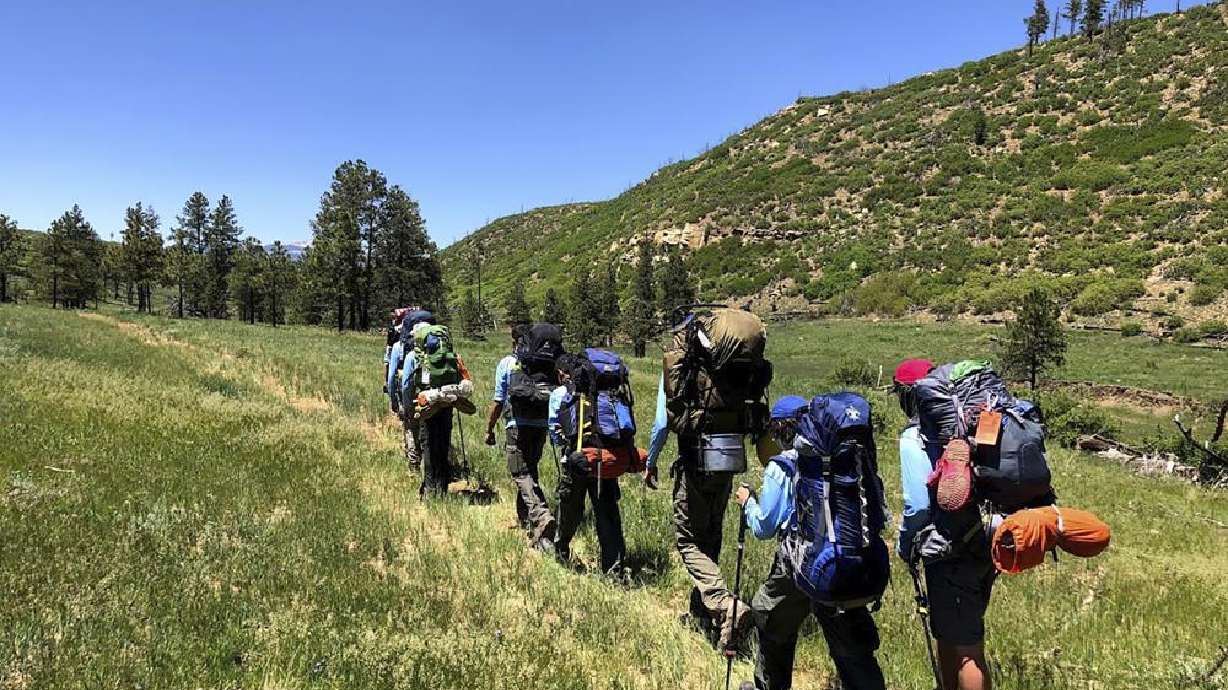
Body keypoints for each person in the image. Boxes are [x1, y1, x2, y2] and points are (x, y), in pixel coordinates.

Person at [734, 396, 887, 690]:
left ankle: (770, 685)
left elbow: (764, 527)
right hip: (845, 554)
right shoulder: (837, 459)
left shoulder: (782, 466)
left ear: (781, 429)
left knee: (768, 611)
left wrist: (747, 504)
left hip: (797, 560)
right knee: (845, 630)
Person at [645, 307, 771, 651]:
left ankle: (724, 605)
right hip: (729, 452)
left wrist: (652, 459)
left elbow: (662, 422)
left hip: (698, 453)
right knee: (711, 533)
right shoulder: (732, 370)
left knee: (688, 540)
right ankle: (705, 616)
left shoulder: (692, 370)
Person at [894, 358, 995, 690]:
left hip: (946, 548)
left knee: (968, 650)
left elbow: (918, 506)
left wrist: (905, 547)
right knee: (950, 633)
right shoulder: (967, 427)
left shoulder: (915, 438)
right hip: (982, 538)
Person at [548, 352, 639, 574]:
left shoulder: (568, 393)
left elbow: (558, 429)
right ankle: (614, 567)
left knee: (570, 506)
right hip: (608, 459)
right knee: (607, 512)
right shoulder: (613, 395)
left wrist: (565, 447)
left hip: (580, 458)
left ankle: (560, 549)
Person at [485, 324, 557, 553]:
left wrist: (489, 428)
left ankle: (541, 515)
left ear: (515, 341)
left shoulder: (507, 364)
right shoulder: (546, 363)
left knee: (520, 472)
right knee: (530, 469)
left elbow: (498, 400)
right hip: (541, 424)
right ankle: (526, 519)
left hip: (517, 424)